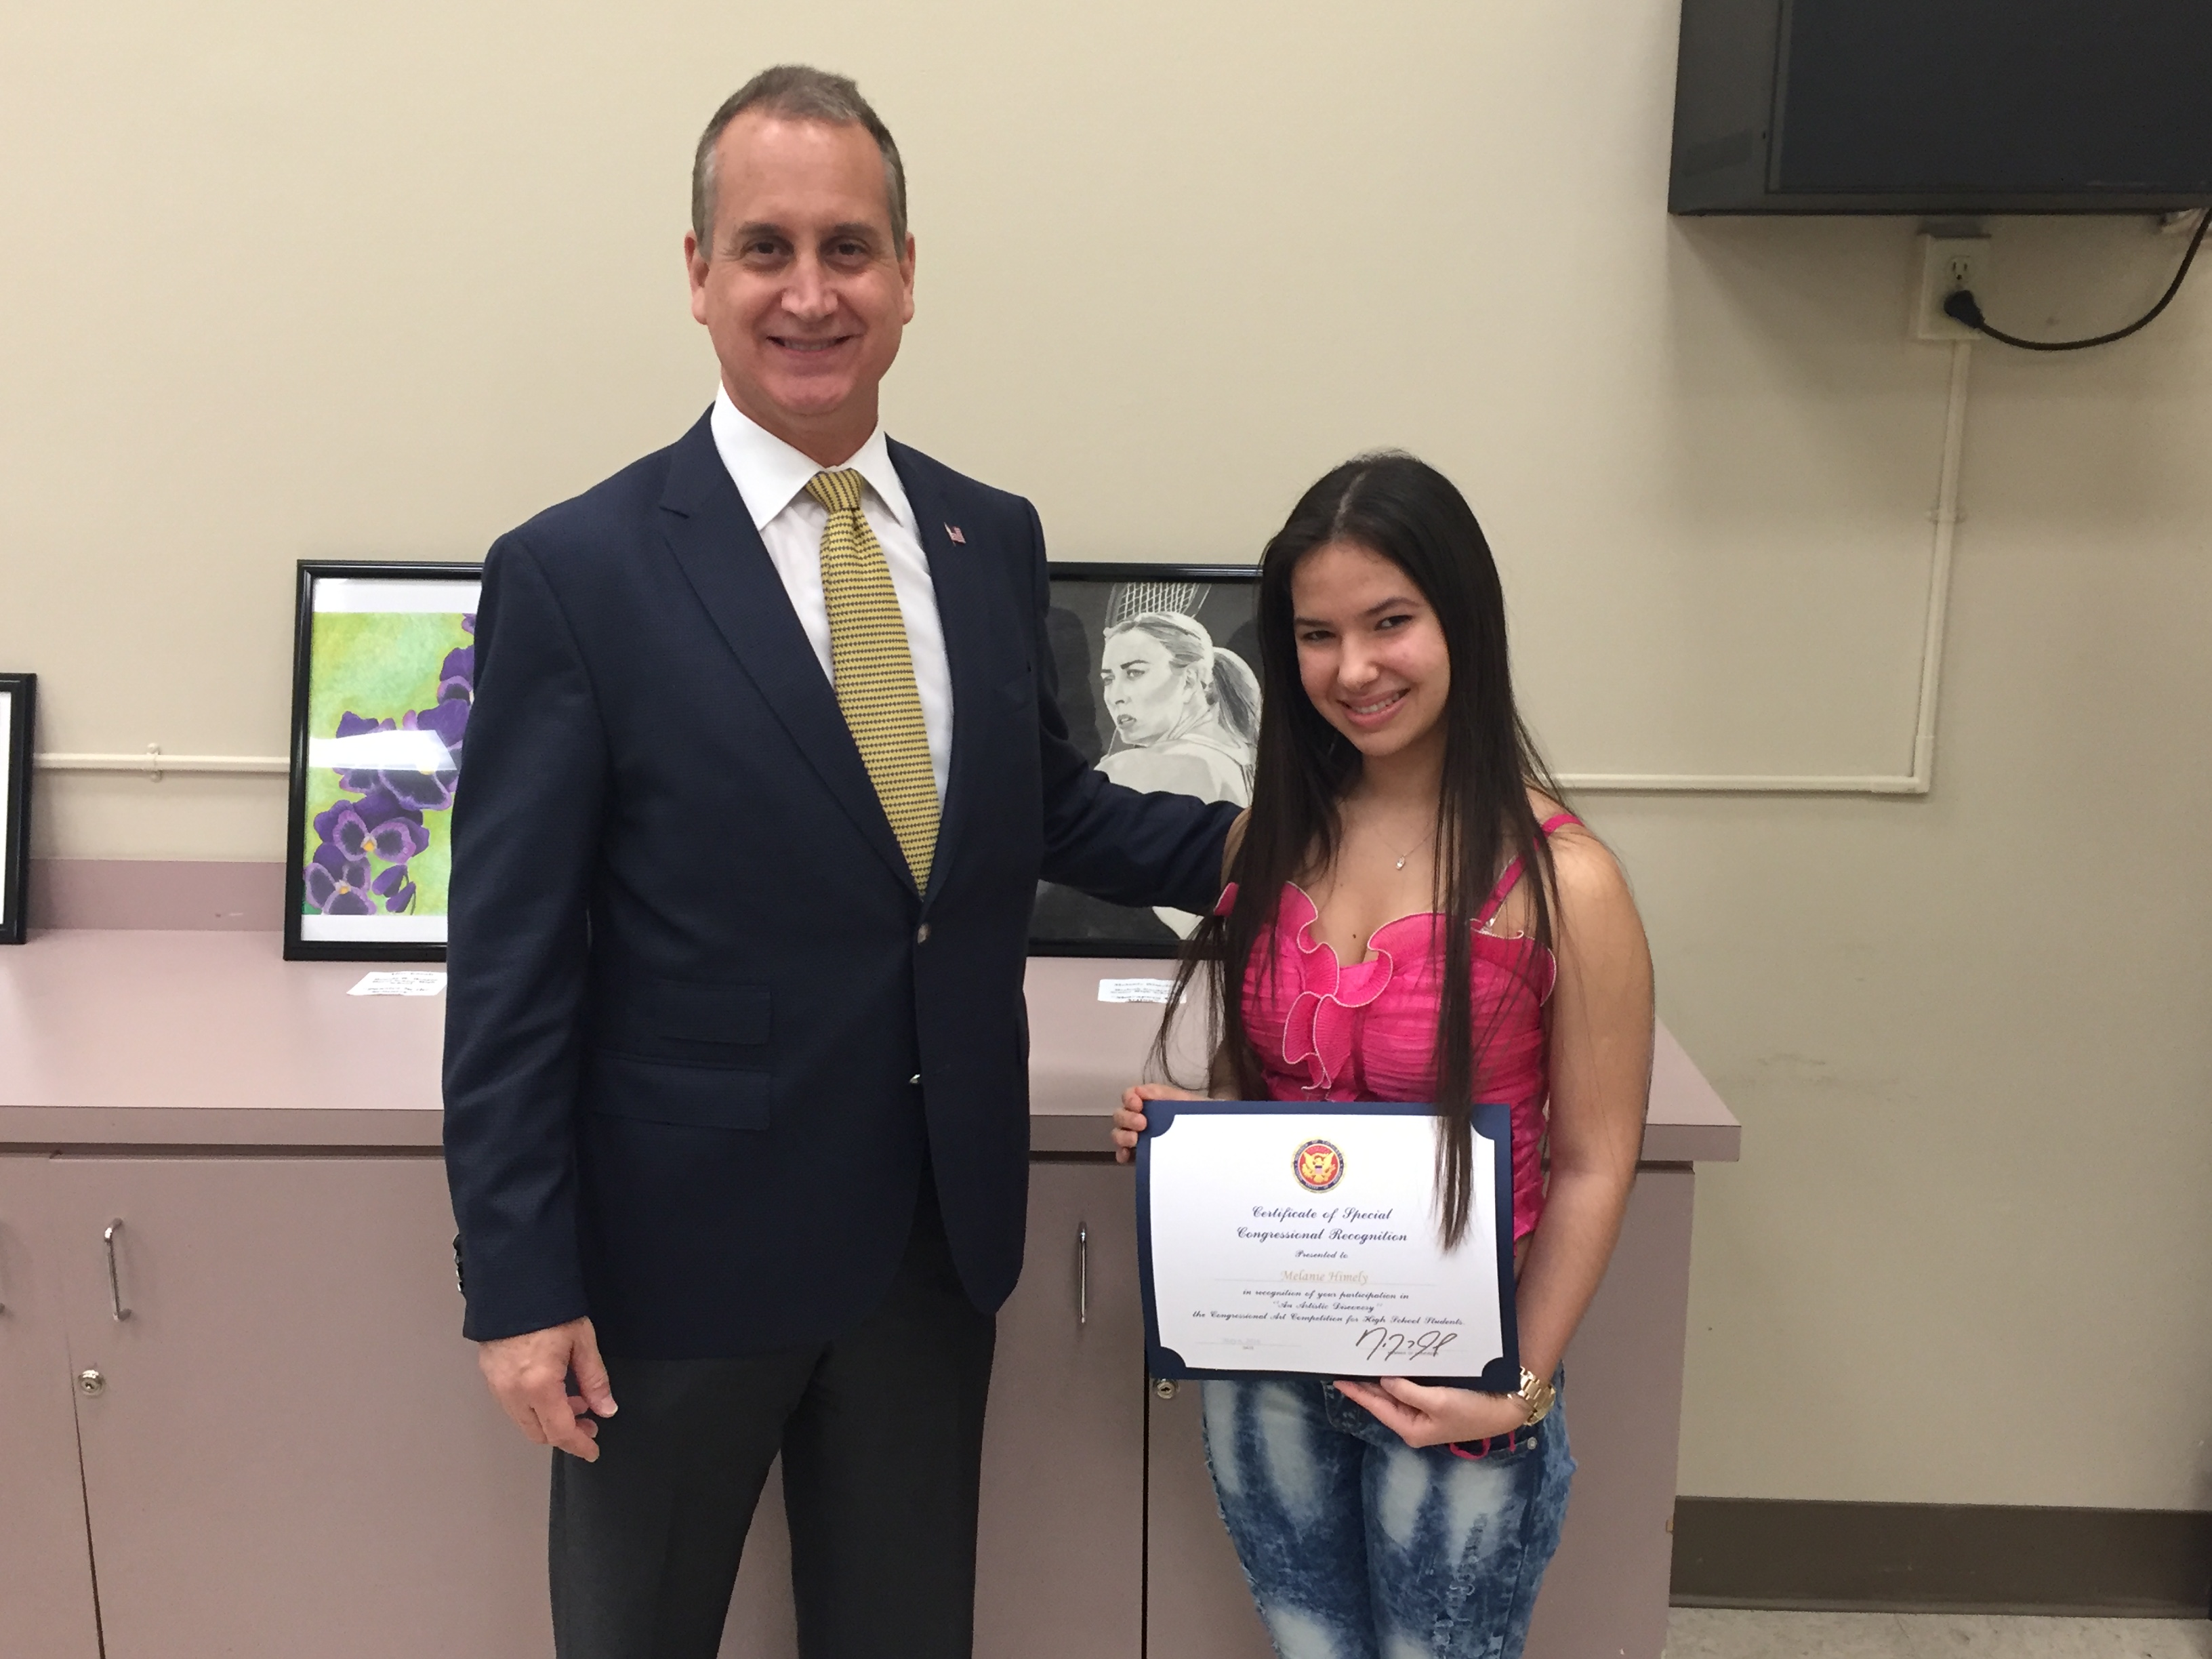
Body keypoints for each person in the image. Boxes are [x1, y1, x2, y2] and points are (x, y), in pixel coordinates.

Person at [441, 66, 1238, 1659]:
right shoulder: (578, 571)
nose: (812, 292)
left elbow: (1049, 811)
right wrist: (517, 1277)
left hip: (930, 1246)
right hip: (675, 1257)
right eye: (765, 248)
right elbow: (512, 961)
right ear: (696, 273)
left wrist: (1328, 853)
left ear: (907, 272)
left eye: (850, 248)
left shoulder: (986, 535)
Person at [1112, 453, 1654, 1659]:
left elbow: (1592, 1162)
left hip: (1457, 1382)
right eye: (1315, 634)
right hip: (1264, 1371)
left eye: (1388, 621)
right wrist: (1184, 1140)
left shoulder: (1566, 882)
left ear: (1461, 616)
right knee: (1305, 1644)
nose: (1352, 668)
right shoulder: (1267, 839)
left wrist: (1516, 1387)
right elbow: (1281, 1108)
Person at [1096, 610, 1261, 806]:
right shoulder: (1246, 763)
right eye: (1108, 680)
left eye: (1134, 673)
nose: (1115, 697)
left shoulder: (1129, 769)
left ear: (1190, 681)